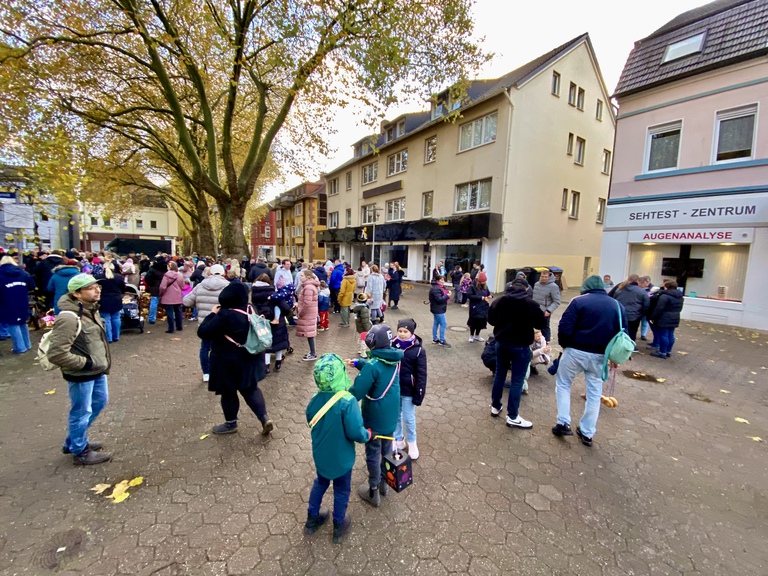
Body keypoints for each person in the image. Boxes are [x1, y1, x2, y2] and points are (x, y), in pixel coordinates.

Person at [553, 275, 627, 447]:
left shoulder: (578, 301)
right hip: (600, 355)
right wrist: (615, 356)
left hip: (575, 351)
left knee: (563, 384)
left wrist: (565, 345)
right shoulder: (617, 306)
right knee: (594, 393)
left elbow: (565, 326)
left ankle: (563, 422)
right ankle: (587, 432)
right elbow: (623, 332)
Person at [304, 354, 371, 543]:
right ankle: (339, 525)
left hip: (321, 455)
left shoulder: (315, 399)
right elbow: (356, 432)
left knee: (320, 483)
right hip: (341, 458)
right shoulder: (347, 401)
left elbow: (309, 418)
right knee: (342, 490)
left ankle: (311, 520)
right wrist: (367, 435)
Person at [46, 273, 112, 465]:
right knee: (81, 412)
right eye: (91, 288)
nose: (97, 290)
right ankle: (80, 452)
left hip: (97, 370)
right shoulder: (69, 318)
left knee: (99, 402)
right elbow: (56, 354)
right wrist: (87, 363)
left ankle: (74, 441)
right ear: (76, 294)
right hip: (83, 373)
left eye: (97, 286)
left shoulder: (91, 310)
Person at [197, 282, 273, 435]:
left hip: (227, 361)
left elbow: (203, 332)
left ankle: (231, 424)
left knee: (228, 392)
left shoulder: (225, 315)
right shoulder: (250, 308)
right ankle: (264, 418)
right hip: (250, 357)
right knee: (251, 389)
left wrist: (212, 314)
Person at [348, 324, 404, 507]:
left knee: (373, 453)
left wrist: (341, 399)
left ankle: (373, 490)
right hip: (390, 417)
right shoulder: (393, 359)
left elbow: (356, 392)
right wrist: (359, 363)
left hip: (375, 419)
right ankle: (385, 485)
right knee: (386, 451)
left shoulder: (373, 366)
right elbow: (379, 369)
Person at [488, 278, 545, 430]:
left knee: (500, 375)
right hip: (520, 346)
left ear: (511, 286)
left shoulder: (499, 301)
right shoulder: (531, 304)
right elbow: (541, 323)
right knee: (517, 381)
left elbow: (491, 320)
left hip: (502, 344)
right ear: (526, 289)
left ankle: (495, 406)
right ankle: (512, 416)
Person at [183, 263, 228, 382]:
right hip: (221, 322)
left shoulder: (200, 286)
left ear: (210, 272)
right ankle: (219, 371)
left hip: (205, 323)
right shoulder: (227, 286)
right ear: (223, 273)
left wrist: (198, 303)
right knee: (221, 348)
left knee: (205, 348)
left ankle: (206, 373)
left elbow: (186, 301)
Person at [392, 318, 427, 460]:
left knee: (408, 418)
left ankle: (412, 443)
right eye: (400, 331)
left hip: (408, 390)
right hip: (394, 389)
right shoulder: (392, 345)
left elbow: (422, 374)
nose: (402, 334)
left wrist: (419, 392)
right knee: (395, 416)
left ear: (411, 332)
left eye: (405, 331)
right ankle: (398, 439)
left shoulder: (418, 350)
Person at [251, 274, 291, 373]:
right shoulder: (273, 293)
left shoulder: (254, 293)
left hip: (262, 321)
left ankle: (267, 365)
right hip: (277, 321)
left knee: (266, 341)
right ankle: (278, 362)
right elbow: (285, 307)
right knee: (278, 342)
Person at [0, 255, 36, 354]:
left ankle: (19, 347)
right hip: (22, 300)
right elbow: (32, 286)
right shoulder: (23, 273)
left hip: (6, 302)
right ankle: (27, 345)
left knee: (12, 323)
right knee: (23, 322)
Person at [609, 274, 649, 343]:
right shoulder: (642, 291)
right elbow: (646, 304)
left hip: (620, 313)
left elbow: (614, 299)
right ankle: (630, 345)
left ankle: (618, 344)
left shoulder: (619, 289)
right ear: (638, 281)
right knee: (632, 332)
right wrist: (642, 313)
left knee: (619, 330)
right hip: (634, 315)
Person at [649, 280, 684, 359]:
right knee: (671, 334)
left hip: (664, 317)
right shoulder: (680, 297)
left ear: (666, 287)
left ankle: (662, 352)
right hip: (675, 316)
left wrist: (653, 317)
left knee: (663, 335)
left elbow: (659, 308)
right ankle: (668, 351)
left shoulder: (664, 296)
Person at [95, 260, 125, 344]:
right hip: (116, 299)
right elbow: (123, 288)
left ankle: (109, 338)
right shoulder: (119, 277)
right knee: (116, 318)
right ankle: (116, 336)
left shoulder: (98, 277)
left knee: (106, 319)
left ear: (103, 268)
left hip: (103, 300)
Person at [296, 269, 320, 361]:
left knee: (310, 334)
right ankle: (312, 352)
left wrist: (301, 312)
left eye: (302, 275)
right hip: (311, 313)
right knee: (310, 333)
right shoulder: (309, 286)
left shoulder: (308, 288)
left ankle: (313, 354)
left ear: (308, 277)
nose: (300, 277)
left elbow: (307, 303)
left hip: (308, 314)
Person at [532, 269, 561, 343]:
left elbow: (557, 301)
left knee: (544, 327)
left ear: (549, 277)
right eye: (542, 276)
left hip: (545, 311)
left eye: (545, 277)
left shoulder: (553, 287)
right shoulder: (536, 284)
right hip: (535, 310)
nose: (543, 278)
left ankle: (547, 342)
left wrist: (549, 310)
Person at [522, 329, 551, 395]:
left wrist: (547, 350)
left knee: (545, 359)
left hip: (536, 356)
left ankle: (532, 366)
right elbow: (530, 355)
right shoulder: (529, 341)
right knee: (524, 375)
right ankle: (524, 387)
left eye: (540, 336)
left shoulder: (542, 339)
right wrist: (540, 351)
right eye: (537, 336)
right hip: (528, 357)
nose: (539, 338)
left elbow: (544, 352)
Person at [159, 261, 185, 333]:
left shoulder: (166, 276)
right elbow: (182, 285)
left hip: (168, 296)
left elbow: (162, 287)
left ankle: (171, 328)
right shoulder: (180, 275)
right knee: (178, 312)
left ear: (169, 267)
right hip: (177, 296)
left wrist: (161, 294)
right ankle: (179, 326)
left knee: (169, 313)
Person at [466, 272, 491, 342]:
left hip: (483, 307)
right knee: (474, 322)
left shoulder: (485, 287)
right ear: (479, 281)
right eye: (483, 281)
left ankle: (477, 335)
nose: (484, 282)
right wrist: (480, 297)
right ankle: (471, 335)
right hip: (475, 307)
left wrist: (490, 296)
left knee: (480, 323)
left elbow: (488, 293)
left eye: (485, 281)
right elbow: (469, 296)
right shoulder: (472, 287)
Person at [428, 275, 451, 347]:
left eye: (443, 279)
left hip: (437, 308)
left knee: (436, 323)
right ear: (438, 280)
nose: (443, 281)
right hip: (438, 309)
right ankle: (442, 340)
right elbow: (439, 299)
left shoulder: (438, 287)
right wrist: (447, 296)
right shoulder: (436, 288)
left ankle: (435, 338)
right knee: (443, 324)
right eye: (441, 280)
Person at [144, 257, 167, 324]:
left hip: (155, 287)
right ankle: (171, 316)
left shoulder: (153, 268)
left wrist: (151, 284)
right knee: (168, 302)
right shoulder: (166, 268)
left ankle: (152, 318)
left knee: (154, 302)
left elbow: (147, 278)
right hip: (165, 287)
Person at [353, 292, 372, 357]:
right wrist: (367, 328)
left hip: (359, 326)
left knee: (361, 337)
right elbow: (365, 320)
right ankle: (363, 352)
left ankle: (360, 349)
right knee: (364, 339)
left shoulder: (357, 307)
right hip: (364, 327)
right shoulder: (364, 309)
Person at [639, 276, 654, 341]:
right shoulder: (638, 287)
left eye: (648, 281)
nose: (647, 283)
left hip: (647, 308)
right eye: (646, 281)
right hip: (639, 307)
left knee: (645, 322)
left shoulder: (652, 289)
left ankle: (643, 335)